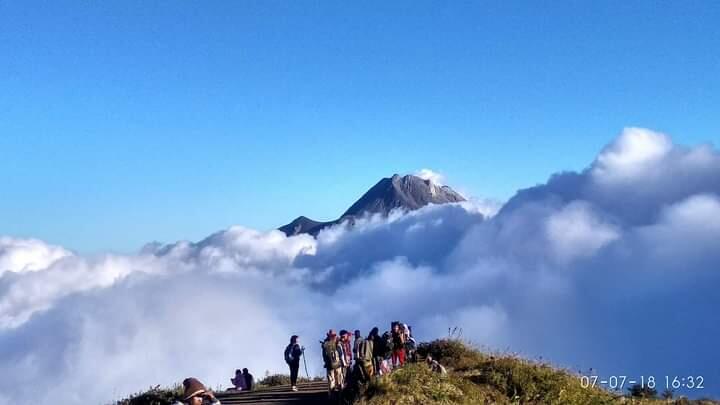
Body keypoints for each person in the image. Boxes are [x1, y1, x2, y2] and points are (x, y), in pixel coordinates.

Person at [322, 329, 344, 394]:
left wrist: (326, 362)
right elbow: (340, 353)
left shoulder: (325, 344)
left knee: (331, 381)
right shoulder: (337, 343)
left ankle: (332, 396)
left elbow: (324, 355)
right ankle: (340, 396)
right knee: (339, 380)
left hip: (329, 365)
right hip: (337, 364)